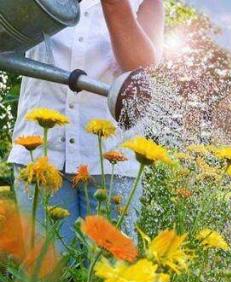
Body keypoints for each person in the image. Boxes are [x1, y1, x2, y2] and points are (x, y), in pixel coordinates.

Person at [7, 0, 165, 245]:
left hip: (112, 162)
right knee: (47, 276)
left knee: (112, 276)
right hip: (39, 153)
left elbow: (141, 72)